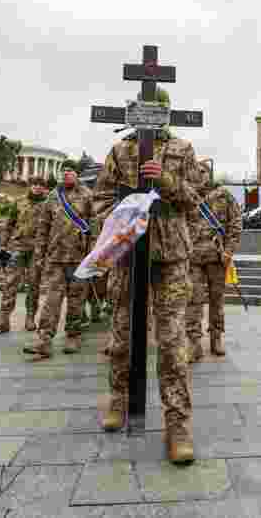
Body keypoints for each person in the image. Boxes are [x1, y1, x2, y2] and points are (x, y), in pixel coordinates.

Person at [92, 87, 204, 465]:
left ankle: (178, 426)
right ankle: (119, 399)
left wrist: (167, 182)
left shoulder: (183, 150)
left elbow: (196, 199)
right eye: (144, 111)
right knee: (121, 335)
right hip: (128, 256)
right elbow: (100, 201)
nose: (151, 117)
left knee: (173, 344)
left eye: (157, 111)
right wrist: (118, 226)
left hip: (170, 257)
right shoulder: (120, 151)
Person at [24, 161, 95, 359]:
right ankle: (44, 340)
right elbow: (43, 227)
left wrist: (93, 255)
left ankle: (73, 335)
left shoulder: (88, 195)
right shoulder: (53, 197)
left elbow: (95, 227)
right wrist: (39, 254)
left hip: (79, 258)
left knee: (76, 300)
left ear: (77, 174)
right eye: (63, 171)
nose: (66, 174)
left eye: (70, 171)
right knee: (51, 300)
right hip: (55, 258)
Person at [185, 159, 242, 360]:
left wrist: (229, 251)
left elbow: (236, 224)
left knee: (217, 300)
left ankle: (216, 337)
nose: (199, 174)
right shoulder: (187, 196)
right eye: (195, 171)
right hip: (193, 258)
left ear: (209, 174)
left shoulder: (223, 195)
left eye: (203, 171)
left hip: (217, 257)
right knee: (193, 300)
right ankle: (193, 342)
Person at [0, 182, 48, 333]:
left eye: (41, 185)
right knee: (10, 282)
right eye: (35, 184)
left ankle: (30, 318)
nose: (37, 187)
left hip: (37, 249)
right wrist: (3, 244)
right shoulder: (19, 201)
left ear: (44, 188)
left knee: (34, 284)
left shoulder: (48, 204)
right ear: (30, 186)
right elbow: (9, 224)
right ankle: (3, 320)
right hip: (18, 246)